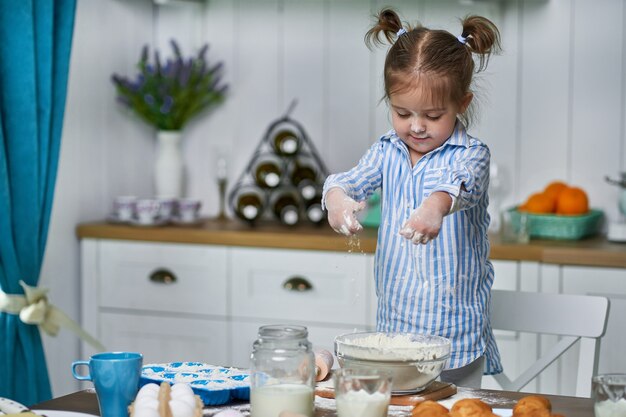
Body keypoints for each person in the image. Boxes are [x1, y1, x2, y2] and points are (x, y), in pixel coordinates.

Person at [322, 8, 502, 388]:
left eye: (433, 116)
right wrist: (338, 199)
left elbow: (461, 186)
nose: (417, 126)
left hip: (457, 337)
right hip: (395, 337)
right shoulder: (387, 151)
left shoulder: (472, 155)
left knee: (457, 411)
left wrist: (435, 207)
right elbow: (349, 181)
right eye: (402, 112)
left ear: (462, 104)